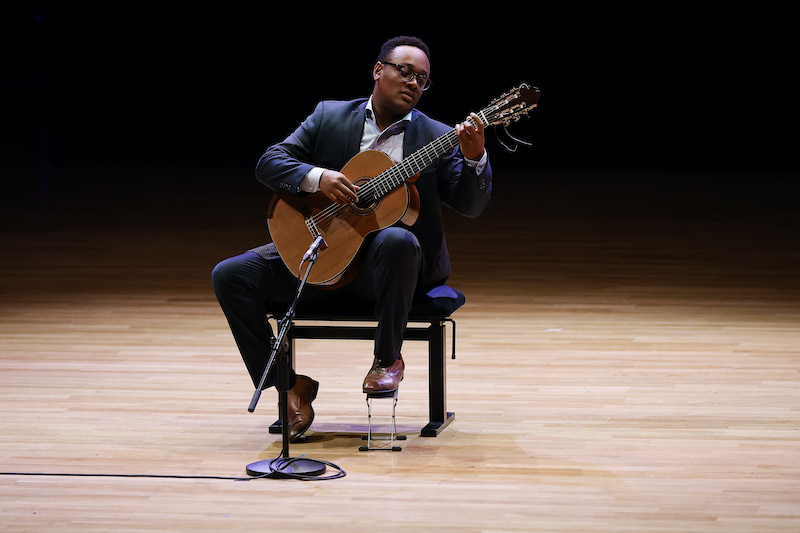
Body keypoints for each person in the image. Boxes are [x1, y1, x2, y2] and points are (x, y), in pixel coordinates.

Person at [212, 36, 492, 441]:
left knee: (397, 239)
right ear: (379, 71)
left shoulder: (436, 136)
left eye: (423, 80)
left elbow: (471, 204)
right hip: (327, 251)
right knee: (230, 275)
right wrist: (318, 178)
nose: (414, 83)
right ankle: (288, 385)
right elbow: (270, 162)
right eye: (406, 72)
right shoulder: (329, 116)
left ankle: (386, 360)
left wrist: (474, 157)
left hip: (389, 273)